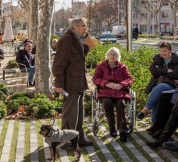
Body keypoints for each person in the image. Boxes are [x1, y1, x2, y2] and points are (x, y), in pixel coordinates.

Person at [53, 17, 97, 149]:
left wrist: (86, 35)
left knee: (78, 113)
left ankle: (78, 138)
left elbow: (91, 48)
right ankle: (67, 141)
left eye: (85, 25)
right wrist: (58, 84)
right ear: (74, 27)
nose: (86, 27)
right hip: (70, 83)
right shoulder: (66, 40)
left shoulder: (77, 38)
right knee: (70, 114)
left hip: (78, 82)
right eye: (83, 25)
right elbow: (58, 64)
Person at [92, 47, 134, 140]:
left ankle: (122, 129)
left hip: (120, 93)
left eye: (115, 54)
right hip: (106, 92)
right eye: (110, 54)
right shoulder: (101, 66)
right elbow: (95, 79)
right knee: (107, 103)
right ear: (107, 56)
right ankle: (112, 128)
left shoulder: (123, 67)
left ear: (118, 57)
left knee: (121, 103)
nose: (112, 56)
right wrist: (107, 83)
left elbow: (129, 79)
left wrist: (121, 85)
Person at [137, 42, 178, 124]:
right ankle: (154, 124)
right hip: (157, 83)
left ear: (170, 51)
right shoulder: (157, 59)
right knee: (157, 98)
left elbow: (177, 74)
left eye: (165, 51)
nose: (162, 53)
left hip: (171, 85)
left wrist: (160, 72)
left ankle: (145, 110)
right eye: (160, 51)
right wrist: (166, 70)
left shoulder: (176, 59)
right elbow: (153, 71)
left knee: (160, 87)